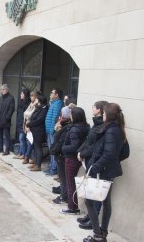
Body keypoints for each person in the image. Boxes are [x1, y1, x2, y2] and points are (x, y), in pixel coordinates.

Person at [82, 103, 126, 242]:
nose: (103, 115)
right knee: (105, 202)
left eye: (104, 114)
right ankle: (102, 235)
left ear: (107, 115)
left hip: (103, 171)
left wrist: (95, 167)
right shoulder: (117, 129)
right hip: (107, 170)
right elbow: (123, 152)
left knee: (89, 201)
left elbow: (109, 154)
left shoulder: (112, 131)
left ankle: (98, 234)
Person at [76, 101, 107, 230]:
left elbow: (95, 146)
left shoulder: (103, 127)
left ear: (99, 110)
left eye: (94, 107)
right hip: (89, 161)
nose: (92, 109)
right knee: (91, 191)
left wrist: (83, 153)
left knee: (96, 193)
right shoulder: (96, 124)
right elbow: (88, 141)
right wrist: (80, 151)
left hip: (96, 163)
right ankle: (89, 216)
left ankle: (93, 221)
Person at [60, 107, 90, 215]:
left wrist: (62, 148)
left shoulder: (74, 129)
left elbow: (74, 146)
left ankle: (72, 207)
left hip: (71, 158)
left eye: (71, 115)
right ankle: (73, 206)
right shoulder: (87, 127)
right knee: (72, 183)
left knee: (70, 183)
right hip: (78, 158)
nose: (70, 117)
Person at [51, 105, 73, 206]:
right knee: (63, 178)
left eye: (62, 115)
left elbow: (60, 141)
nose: (60, 117)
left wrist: (54, 150)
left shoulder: (67, 127)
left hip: (62, 155)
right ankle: (63, 194)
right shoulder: (66, 125)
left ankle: (64, 197)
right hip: (62, 155)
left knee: (64, 178)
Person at [26, 94, 48, 171]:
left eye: (37, 100)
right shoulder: (39, 108)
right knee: (35, 148)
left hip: (39, 131)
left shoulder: (44, 109)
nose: (35, 101)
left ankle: (38, 165)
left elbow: (39, 120)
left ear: (40, 101)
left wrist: (29, 124)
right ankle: (35, 163)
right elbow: (31, 115)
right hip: (34, 130)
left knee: (38, 148)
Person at [44, 88, 64, 175]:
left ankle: (53, 169)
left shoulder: (58, 103)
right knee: (50, 149)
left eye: (52, 93)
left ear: (56, 95)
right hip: (49, 130)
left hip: (52, 131)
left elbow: (54, 118)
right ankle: (52, 166)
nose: (50, 94)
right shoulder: (53, 103)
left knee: (53, 150)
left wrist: (51, 130)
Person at [0, 84, 15, 155]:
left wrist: (7, 118)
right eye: (1, 89)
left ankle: (7, 150)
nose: (2, 91)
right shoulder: (1, 97)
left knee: (7, 136)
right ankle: (0, 148)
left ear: (7, 90)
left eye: (3, 89)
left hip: (6, 121)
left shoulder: (11, 98)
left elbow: (11, 109)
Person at [22, 91, 40, 164]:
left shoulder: (37, 105)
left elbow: (30, 114)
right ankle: (31, 157)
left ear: (36, 97)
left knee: (30, 142)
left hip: (32, 125)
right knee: (29, 141)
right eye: (30, 96)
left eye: (32, 96)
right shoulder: (31, 104)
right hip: (27, 124)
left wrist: (28, 124)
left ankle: (27, 157)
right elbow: (25, 113)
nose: (31, 97)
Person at [15, 89, 31, 159]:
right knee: (21, 139)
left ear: (25, 95)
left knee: (22, 138)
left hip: (24, 123)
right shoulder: (21, 102)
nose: (21, 95)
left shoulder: (28, 103)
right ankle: (21, 153)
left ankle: (24, 154)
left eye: (22, 94)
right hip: (19, 122)